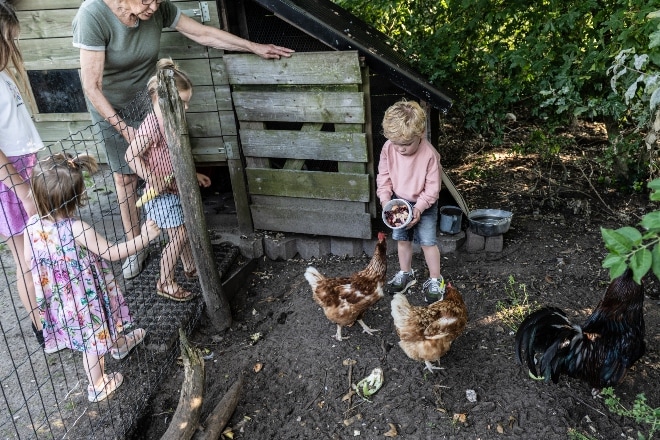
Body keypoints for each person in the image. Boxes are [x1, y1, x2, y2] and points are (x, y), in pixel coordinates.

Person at [72, 0, 294, 281]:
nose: (153, 6)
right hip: (110, 106)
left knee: (166, 163)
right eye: (146, 0)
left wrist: (254, 47)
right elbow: (91, 86)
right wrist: (128, 133)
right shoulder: (93, 15)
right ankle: (135, 246)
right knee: (126, 178)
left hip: (151, 98)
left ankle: (181, 238)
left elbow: (203, 33)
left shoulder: (157, 8)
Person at [24, 153, 161, 402]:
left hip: (61, 297)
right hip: (86, 297)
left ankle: (119, 343)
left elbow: (29, 261)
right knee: (92, 340)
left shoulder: (31, 226)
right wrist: (144, 237)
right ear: (76, 197)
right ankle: (97, 384)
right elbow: (113, 252)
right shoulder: (76, 229)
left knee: (105, 321)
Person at [125, 58, 210, 301]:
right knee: (180, 233)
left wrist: (192, 174)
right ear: (162, 100)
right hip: (158, 193)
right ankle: (165, 281)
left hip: (172, 188)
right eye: (182, 102)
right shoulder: (152, 125)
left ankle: (189, 266)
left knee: (180, 229)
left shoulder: (171, 121)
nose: (186, 108)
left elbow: (174, 158)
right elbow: (130, 155)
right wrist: (153, 179)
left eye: (187, 102)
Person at [0, 1, 45, 345]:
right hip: (8, 179)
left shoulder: (2, 75)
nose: (14, 48)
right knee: (24, 257)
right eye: (8, 40)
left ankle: (51, 315)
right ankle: (41, 327)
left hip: (22, 168)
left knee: (38, 249)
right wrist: (20, 187)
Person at [376, 100, 446, 303]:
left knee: (427, 242)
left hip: (425, 203)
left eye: (406, 144)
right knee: (402, 239)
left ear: (421, 134)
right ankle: (406, 273)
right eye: (396, 143)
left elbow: (433, 189)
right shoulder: (389, 148)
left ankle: (435, 279)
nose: (400, 149)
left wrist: (420, 208)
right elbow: (384, 176)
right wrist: (385, 200)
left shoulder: (430, 155)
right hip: (398, 202)